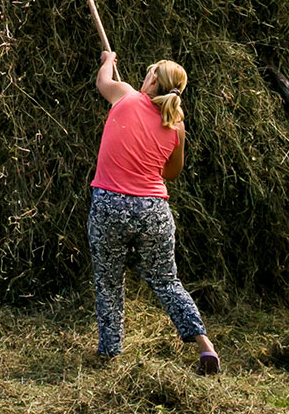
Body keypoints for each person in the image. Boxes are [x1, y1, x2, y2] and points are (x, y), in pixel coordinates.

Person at [89, 50, 219, 374]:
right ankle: (206, 347)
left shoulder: (127, 96)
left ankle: (111, 354)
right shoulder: (176, 125)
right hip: (154, 212)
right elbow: (172, 173)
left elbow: (102, 81)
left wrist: (108, 60)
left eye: (148, 73)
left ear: (152, 80)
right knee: (166, 281)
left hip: (110, 206)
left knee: (109, 281)